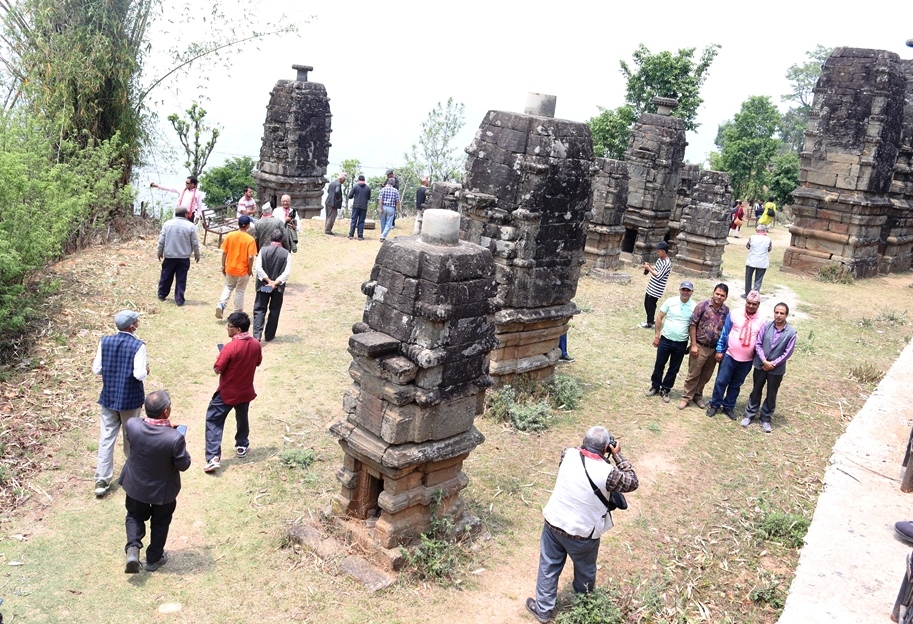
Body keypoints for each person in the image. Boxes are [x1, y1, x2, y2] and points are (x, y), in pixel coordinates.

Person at [526, 426, 638, 623]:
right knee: (585, 571)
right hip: (583, 533)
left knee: (548, 566)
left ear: (584, 441)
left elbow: (581, 455)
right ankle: (584, 607)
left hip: (554, 523)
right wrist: (618, 456)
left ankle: (543, 610)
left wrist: (602, 452)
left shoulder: (567, 454)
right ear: (606, 448)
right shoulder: (609, 473)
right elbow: (632, 481)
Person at [119, 390, 191, 573]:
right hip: (163, 491)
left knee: (134, 515)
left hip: (135, 484)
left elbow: (143, 437)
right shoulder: (175, 438)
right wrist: (174, 434)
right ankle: (153, 559)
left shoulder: (132, 425)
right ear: (166, 411)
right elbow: (183, 465)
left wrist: (166, 428)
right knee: (160, 522)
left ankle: (133, 549)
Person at [91, 310, 148, 497]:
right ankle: (133, 475)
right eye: (136, 321)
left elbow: (96, 369)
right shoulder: (138, 345)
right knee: (130, 438)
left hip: (109, 398)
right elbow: (139, 374)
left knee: (106, 438)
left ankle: (102, 479)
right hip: (130, 400)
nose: (138, 323)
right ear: (131, 326)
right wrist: (147, 370)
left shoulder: (104, 341)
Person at [203, 312, 261, 473]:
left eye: (229, 327)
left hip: (227, 393)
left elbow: (217, 369)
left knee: (213, 420)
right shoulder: (256, 343)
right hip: (246, 391)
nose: (227, 329)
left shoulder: (230, 347)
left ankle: (213, 457)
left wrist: (221, 356)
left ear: (238, 329)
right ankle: (242, 445)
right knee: (242, 418)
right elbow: (257, 362)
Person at [706, 291, 764, 420]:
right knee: (721, 381)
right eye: (749, 303)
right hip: (729, 355)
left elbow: (760, 340)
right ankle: (715, 405)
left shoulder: (762, 320)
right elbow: (725, 333)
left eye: (754, 304)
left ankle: (728, 406)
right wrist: (720, 350)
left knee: (736, 384)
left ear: (758, 305)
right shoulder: (735, 314)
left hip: (747, 360)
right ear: (745, 302)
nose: (750, 306)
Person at [742, 303, 797, 433]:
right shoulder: (766, 326)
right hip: (761, 365)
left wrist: (773, 364)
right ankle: (749, 414)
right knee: (756, 390)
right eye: (776, 312)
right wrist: (764, 361)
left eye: (782, 313)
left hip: (776, 369)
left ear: (786, 315)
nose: (778, 315)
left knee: (772, 393)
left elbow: (787, 353)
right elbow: (758, 344)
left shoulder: (791, 332)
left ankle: (765, 418)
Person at [678, 284, 730, 410]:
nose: (719, 297)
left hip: (714, 349)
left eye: (722, 295)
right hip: (700, 347)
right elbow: (693, 324)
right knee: (693, 373)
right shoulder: (702, 306)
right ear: (713, 293)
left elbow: (726, 331)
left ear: (726, 297)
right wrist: (694, 345)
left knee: (706, 375)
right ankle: (686, 397)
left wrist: (721, 350)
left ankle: (698, 395)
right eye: (717, 294)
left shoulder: (726, 311)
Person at [646, 281, 696, 403]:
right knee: (659, 364)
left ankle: (666, 389)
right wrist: (657, 335)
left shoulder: (694, 307)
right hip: (666, 339)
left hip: (681, 342)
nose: (685, 292)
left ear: (691, 292)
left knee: (674, 368)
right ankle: (655, 386)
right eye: (683, 289)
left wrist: (692, 343)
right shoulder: (670, 301)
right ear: (679, 290)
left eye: (688, 290)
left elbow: (694, 326)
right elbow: (659, 317)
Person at [252, 228, 292, 342]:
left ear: (270, 238)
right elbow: (286, 273)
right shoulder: (286, 254)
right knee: (274, 310)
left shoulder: (263, 250)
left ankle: (257, 335)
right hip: (278, 287)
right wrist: (275, 283)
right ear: (282, 239)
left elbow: (258, 268)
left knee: (259, 310)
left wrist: (268, 281)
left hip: (263, 285)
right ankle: (269, 335)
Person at [156, 207, 201, 306]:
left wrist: (159, 252)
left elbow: (161, 240)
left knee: (166, 276)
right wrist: (197, 254)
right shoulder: (190, 226)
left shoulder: (167, 224)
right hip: (183, 257)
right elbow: (194, 242)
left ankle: (162, 295)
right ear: (186, 214)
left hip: (169, 255)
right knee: (181, 278)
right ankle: (179, 300)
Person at [215, 215, 257, 319]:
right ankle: (238, 312)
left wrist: (223, 266)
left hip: (230, 267)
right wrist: (250, 269)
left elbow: (224, 252)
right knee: (240, 291)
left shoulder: (230, 235)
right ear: (248, 226)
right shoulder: (250, 239)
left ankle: (221, 304)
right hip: (243, 270)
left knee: (228, 287)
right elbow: (251, 257)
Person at [640, 241, 671, 329]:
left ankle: (650, 323)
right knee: (646, 304)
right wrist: (650, 266)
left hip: (656, 289)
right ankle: (650, 320)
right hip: (651, 287)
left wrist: (648, 268)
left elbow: (658, 276)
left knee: (651, 306)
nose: (657, 253)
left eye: (659, 251)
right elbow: (656, 269)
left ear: (664, 252)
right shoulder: (660, 260)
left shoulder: (667, 263)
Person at [744, 225, 773, 297]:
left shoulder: (752, 238)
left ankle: (747, 293)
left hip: (751, 261)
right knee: (758, 280)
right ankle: (754, 295)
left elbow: (748, 246)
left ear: (757, 230)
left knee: (748, 278)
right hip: (762, 262)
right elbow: (769, 249)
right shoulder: (768, 239)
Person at [347, 175, 371, 240]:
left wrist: (355, 195)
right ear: (364, 180)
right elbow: (368, 198)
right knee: (361, 221)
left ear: (358, 180)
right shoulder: (368, 188)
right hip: (364, 206)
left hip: (356, 206)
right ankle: (360, 236)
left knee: (354, 220)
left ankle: (351, 235)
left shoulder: (355, 187)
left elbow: (350, 196)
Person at [377, 177, 400, 242]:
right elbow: (398, 201)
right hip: (391, 208)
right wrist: (399, 209)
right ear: (394, 184)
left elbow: (380, 200)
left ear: (388, 182)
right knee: (389, 224)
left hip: (383, 206)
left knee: (383, 222)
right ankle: (383, 236)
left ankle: (382, 235)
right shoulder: (395, 191)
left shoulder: (383, 189)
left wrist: (380, 208)